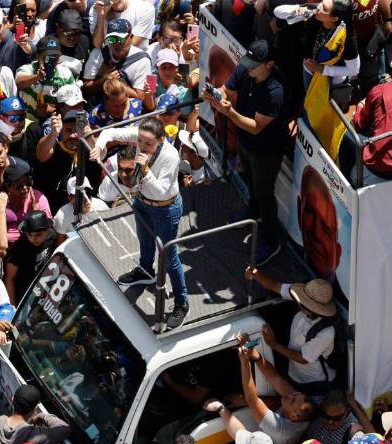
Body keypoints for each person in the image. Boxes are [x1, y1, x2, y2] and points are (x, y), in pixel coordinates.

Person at [91, 117, 188, 329]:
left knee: (169, 258)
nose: (142, 147)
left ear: (161, 140)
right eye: (140, 142)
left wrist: (145, 171)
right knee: (144, 238)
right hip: (143, 202)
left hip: (165, 208)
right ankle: (145, 271)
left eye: (148, 144)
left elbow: (161, 191)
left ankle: (182, 303)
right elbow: (111, 133)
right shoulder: (140, 136)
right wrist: (99, 147)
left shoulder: (171, 156)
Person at [204, 39, 288, 264]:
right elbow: (226, 90)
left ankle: (271, 238)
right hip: (245, 142)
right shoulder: (244, 69)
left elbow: (256, 126)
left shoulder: (275, 91)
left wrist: (228, 112)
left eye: (255, 64)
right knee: (250, 181)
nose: (248, 67)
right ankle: (252, 211)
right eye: (248, 61)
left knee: (264, 192)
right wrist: (216, 95)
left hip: (266, 150)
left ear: (269, 64)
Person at [244, 268, 338, 393]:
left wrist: (274, 344)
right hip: (293, 371)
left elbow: (302, 359)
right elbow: (275, 285)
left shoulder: (326, 332)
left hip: (313, 383)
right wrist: (256, 274)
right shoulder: (302, 297)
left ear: (310, 308)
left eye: (302, 302)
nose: (298, 301)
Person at [4, 210, 58, 305]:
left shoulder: (52, 237)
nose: (34, 239)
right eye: (30, 235)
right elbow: (9, 279)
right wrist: (12, 308)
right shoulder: (19, 248)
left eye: (38, 235)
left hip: (46, 291)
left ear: (47, 230)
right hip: (24, 296)